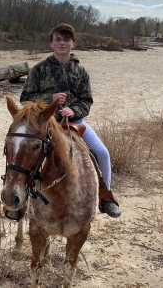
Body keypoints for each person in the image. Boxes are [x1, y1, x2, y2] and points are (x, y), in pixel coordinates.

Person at [20, 23, 121, 218]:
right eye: (58, 39)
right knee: (22, 155)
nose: (62, 43)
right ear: (51, 43)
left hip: (74, 124)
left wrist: (73, 111)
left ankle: (106, 197)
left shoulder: (81, 72)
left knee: (102, 153)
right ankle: (18, 202)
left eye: (66, 40)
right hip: (44, 124)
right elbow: (25, 99)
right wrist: (50, 99)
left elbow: (87, 101)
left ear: (73, 44)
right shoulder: (39, 70)